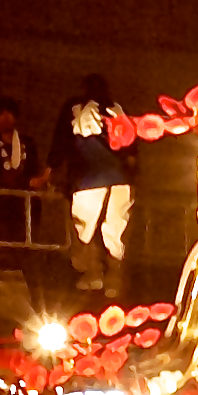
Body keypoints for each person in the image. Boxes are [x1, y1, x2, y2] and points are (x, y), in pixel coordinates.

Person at [54, 76, 131, 299]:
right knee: (115, 230)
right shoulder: (117, 110)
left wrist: (52, 168)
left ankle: (93, 275)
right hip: (119, 179)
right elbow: (131, 146)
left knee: (85, 228)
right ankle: (112, 280)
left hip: (89, 179)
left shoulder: (75, 108)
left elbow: (61, 140)